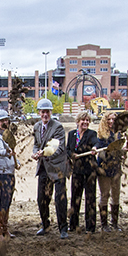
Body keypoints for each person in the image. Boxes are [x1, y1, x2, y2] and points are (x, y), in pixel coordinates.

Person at [31, 98, 70, 239]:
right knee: (41, 198)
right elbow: (36, 144)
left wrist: (44, 152)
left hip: (57, 167)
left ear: (51, 112)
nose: (45, 115)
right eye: (42, 112)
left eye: (47, 112)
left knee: (60, 199)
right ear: (39, 113)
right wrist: (35, 153)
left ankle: (63, 229)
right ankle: (45, 225)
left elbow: (58, 147)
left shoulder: (58, 127)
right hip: (43, 167)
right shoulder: (36, 127)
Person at [67, 111, 100, 233]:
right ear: (78, 122)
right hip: (77, 170)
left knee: (90, 198)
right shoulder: (71, 134)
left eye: (87, 120)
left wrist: (94, 148)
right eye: (83, 120)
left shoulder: (92, 134)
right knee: (76, 197)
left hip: (90, 170)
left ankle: (90, 227)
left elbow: (96, 142)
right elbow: (67, 150)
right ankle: (73, 225)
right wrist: (72, 155)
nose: (85, 122)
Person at [0, 109, 20, 241]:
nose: (5, 123)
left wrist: (17, 162)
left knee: (7, 202)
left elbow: (12, 152)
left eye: (6, 120)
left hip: (10, 172)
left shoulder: (8, 137)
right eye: (2, 121)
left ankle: (5, 228)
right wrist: (8, 152)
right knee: (3, 201)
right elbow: (0, 151)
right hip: (1, 173)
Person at [96, 111, 127, 232]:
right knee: (105, 195)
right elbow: (100, 149)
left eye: (113, 119)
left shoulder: (119, 134)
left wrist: (123, 151)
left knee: (116, 195)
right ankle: (104, 225)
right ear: (105, 121)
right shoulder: (101, 135)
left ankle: (115, 223)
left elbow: (120, 150)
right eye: (109, 119)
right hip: (104, 168)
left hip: (116, 168)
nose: (111, 121)